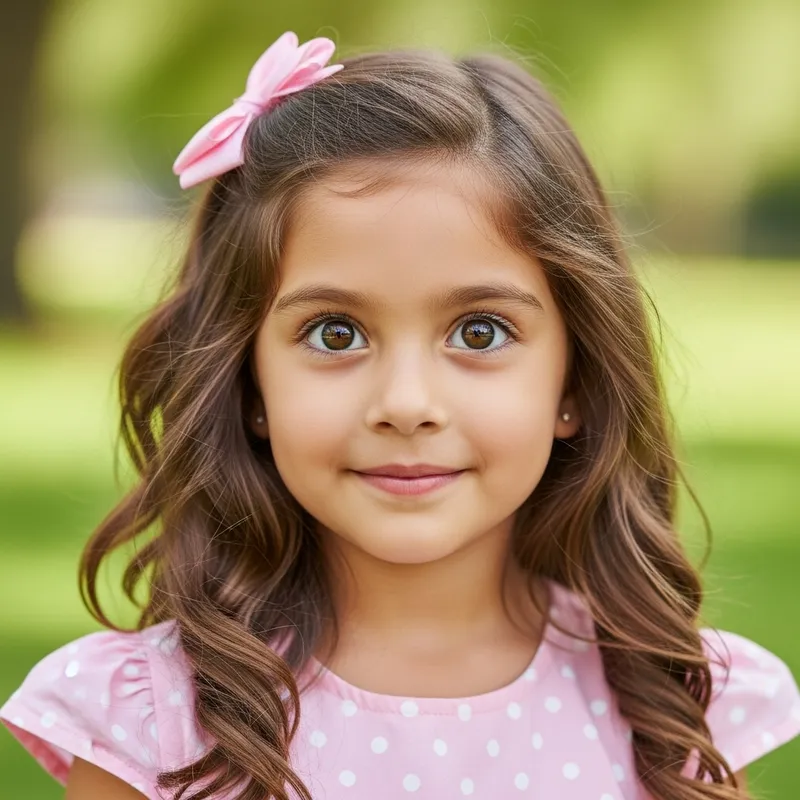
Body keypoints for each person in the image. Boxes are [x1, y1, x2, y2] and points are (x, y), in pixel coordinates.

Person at [1, 29, 798, 800]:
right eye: (335, 334)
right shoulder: (157, 723)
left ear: (576, 381)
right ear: (248, 384)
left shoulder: (669, 707)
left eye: (479, 332)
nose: (407, 405)